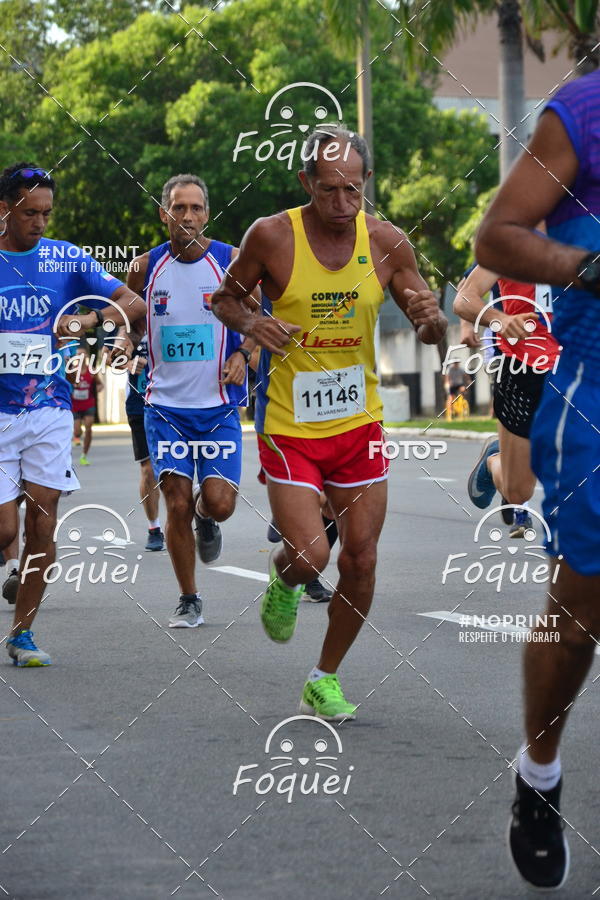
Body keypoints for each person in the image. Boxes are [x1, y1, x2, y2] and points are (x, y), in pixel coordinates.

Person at [211, 126, 446, 720]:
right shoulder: (271, 236)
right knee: (311, 555)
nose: (342, 204)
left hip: (359, 424)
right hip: (291, 425)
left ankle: (324, 677)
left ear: (366, 183)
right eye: (328, 191)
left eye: (353, 190)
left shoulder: (387, 242)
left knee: (361, 559)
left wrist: (432, 320)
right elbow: (224, 299)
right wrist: (251, 324)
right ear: (305, 183)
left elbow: (425, 321)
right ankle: (284, 576)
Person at [475, 71, 600, 891]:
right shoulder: (583, 112)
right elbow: (495, 238)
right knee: (582, 612)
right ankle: (540, 775)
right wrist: (588, 267)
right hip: (593, 388)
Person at [0, 162, 146, 666]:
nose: (40, 223)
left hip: (49, 409)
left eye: (47, 213)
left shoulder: (64, 258)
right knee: (5, 532)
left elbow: (132, 302)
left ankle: (22, 635)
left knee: (43, 524)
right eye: (30, 213)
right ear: (4, 209)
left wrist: (89, 320)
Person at [126, 173, 256, 628]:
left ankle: (207, 517)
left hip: (218, 407)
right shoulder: (145, 267)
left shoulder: (232, 261)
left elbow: (260, 315)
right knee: (176, 502)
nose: (187, 216)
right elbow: (133, 321)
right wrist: (126, 344)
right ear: (163, 213)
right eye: (178, 208)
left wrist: (243, 353)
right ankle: (189, 597)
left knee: (219, 503)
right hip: (165, 408)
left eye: (196, 208)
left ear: (207, 214)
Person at [455, 257, 560, 537]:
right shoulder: (510, 244)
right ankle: (494, 461)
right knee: (518, 491)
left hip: (577, 369)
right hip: (523, 369)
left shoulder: (587, 241)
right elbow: (464, 298)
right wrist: (499, 319)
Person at [123, 334, 165, 551]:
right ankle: (154, 528)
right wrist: (126, 362)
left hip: (175, 403)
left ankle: (200, 514)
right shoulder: (128, 324)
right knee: (148, 470)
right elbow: (109, 355)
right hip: (139, 405)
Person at [71, 345, 103, 465]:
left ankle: (84, 455)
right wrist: (73, 386)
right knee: (77, 431)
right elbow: (66, 385)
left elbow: (100, 384)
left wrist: (99, 388)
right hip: (75, 405)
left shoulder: (92, 371)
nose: (80, 356)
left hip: (89, 403)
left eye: (82, 354)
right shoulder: (72, 371)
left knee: (89, 427)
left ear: (87, 357)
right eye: (78, 354)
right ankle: (76, 435)